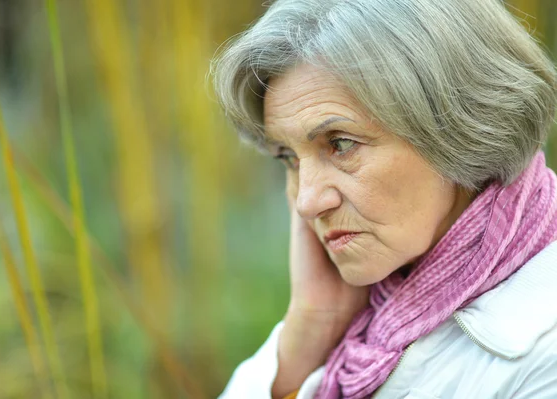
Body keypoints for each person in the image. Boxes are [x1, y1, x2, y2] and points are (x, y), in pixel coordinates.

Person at [211, 0, 557, 397]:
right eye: (288, 157)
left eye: (340, 144)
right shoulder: (364, 323)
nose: (306, 202)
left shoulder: (546, 358)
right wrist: (310, 327)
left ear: (459, 127)